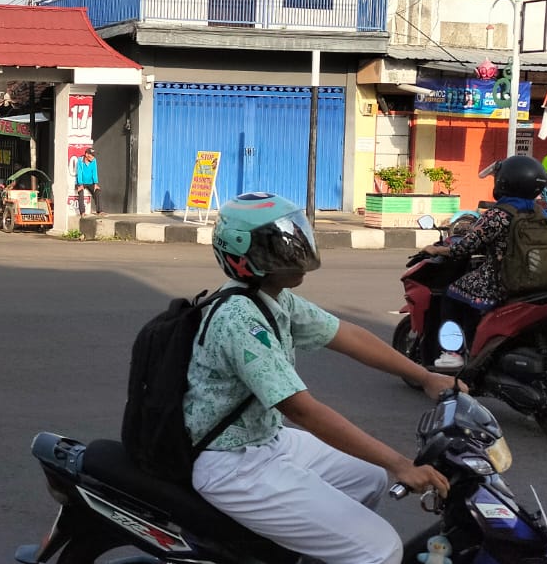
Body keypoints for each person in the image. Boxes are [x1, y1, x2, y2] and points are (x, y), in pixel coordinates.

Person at [188, 192, 456, 564]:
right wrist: (401, 464)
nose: (295, 252)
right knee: (381, 549)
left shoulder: (272, 298)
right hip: (232, 464)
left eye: (295, 240)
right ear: (244, 258)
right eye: (280, 248)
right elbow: (303, 411)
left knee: (369, 478)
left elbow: (346, 335)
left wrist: (424, 377)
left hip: (268, 440)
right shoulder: (239, 319)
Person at [418, 156, 547, 369]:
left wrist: (437, 249)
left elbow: (465, 248)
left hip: (500, 280)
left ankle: (453, 353)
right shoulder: (540, 213)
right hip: (540, 280)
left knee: (451, 295)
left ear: (506, 182)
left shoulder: (499, 213)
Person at [75, 147, 102, 215]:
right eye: (91, 155)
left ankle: (99, 211)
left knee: (97, 191)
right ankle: (82, 212)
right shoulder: (80, 160)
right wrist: (80, 184)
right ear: (86, 154)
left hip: (90, 182)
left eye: (94, 155)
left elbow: (94, 172)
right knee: (80, 192)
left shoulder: (94, 161)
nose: (93, 157)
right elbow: (79, 172)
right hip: (82, 182)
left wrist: (95, 183)